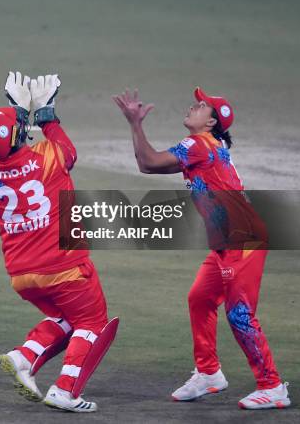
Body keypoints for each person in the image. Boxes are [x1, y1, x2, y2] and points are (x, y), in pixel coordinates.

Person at [113, 87, 290, 410]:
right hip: (228, 243)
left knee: (239, 314)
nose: (194, 105)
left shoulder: (197, 145)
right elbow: (146, 165)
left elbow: (149, 163)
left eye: (203, 105)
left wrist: (135, 123)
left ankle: (272, 385)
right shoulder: (208, 147)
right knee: (201, 299)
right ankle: (209, 373)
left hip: (244, 240)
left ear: (211, 123)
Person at [0, 72, 118, 413]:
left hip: (22, 275)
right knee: (92, 323)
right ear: (18, 135)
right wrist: (46, 112)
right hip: (64, 267)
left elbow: (11, 145)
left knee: (67, 319)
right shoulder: (49, 158)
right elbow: (68, 151)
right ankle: (65, 390)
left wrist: (19, 115)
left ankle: (24, 356)